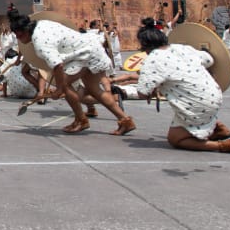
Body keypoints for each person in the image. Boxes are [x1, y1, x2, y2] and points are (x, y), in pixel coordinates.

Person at [8, 8, 136, 135]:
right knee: (94, 89)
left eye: (18, 36)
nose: (18, 39)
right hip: (91, 48)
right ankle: (125, 120)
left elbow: (57, 65)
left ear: (23, 32)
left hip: (84, 54)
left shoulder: (40, 43)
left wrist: (59, 89)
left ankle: (81, 120)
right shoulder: (41, 23)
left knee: (66, 86)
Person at [132, 19, 230, 153]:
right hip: (215, 95)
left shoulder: (153, 59)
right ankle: (216, 129)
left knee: (175, 139)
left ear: (144, 44)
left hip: (196, 103)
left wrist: (151, 80)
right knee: (183, 120)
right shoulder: (182, 48)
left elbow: (143, 93)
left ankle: (222, 145)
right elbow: (209, 59)